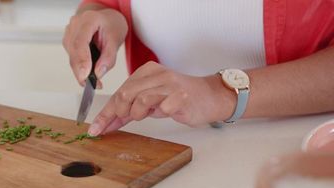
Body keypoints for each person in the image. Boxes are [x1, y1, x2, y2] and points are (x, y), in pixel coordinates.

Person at [62, 0, 334, 136]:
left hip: (295, 149)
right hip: (172, 142)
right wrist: (103, 14)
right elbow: (105, 2)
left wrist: (219, 93)